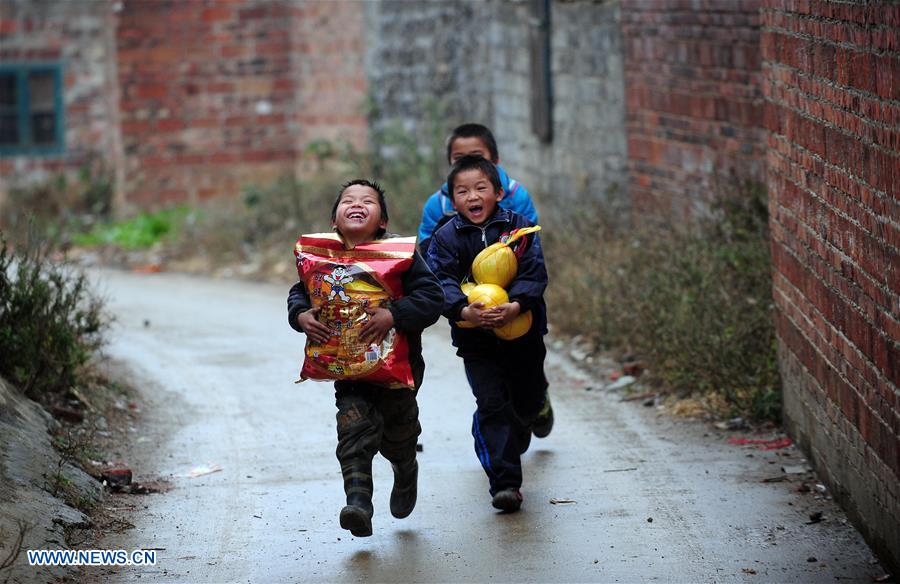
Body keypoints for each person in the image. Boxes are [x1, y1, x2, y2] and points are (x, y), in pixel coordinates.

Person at [287, 180, 443, 537]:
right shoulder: (322, 259)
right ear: (335, 220)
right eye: (348, 201)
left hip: (397, 370)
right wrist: (300, 316)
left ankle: (405, 468)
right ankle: (358, 504)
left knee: (397, 434)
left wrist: (395, 315)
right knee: (353, 430)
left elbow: (432, 297)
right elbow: (301, 291)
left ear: (383, 221)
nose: (357, 205)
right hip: (349, 370)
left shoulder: (400, 255)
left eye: (367, 201)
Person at [425, 156, 553, 513]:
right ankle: (506, 483)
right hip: (476, 340)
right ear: (452, 201)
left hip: (523, 335)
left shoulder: (520, 230)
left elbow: (534, 274)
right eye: (462, 191)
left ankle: (523, 419)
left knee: (525, 401)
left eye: (481, 188)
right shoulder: (446, 236)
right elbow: (440, 280)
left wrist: (515, 305)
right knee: (491, 405)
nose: (472, 196)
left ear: (498, 192)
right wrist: (463, 311)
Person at [417, 123, 538, 255]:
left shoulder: (516, 197)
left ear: (495, 160)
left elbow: (529, 247)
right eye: (459, 158)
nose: (469, 163)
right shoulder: (438, 204)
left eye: (477, 156)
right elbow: (429, 254)